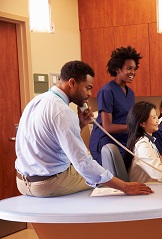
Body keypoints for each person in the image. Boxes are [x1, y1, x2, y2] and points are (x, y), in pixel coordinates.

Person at [15, 60, 153, 197]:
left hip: (23, 182)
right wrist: (124, 186)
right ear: (72, 83)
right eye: (87, 88)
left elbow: (56, 142)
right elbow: (83, 163)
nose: (89, 94)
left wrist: (81, 124)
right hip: (48, 183)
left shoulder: (36, 101)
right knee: (103, 183)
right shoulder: (63, 112)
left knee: (97, 174)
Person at [89, 46, 142, 165]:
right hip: (105, 143)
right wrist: (134, 127)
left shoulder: (130, 93)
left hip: (122, 141)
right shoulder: (107, 91)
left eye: (134, 69)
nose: (132, 72)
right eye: (129, 68)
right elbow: (107, 127)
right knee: (112, 180)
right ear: (118, 69)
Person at [124, 101, 162, 183]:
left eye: (156, 116)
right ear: (142, 123)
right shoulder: (142, 145)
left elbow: (154, 167)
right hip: (147, 189)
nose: (157, 120)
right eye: (153, 118)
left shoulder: (147, 140)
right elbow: (160, 174)